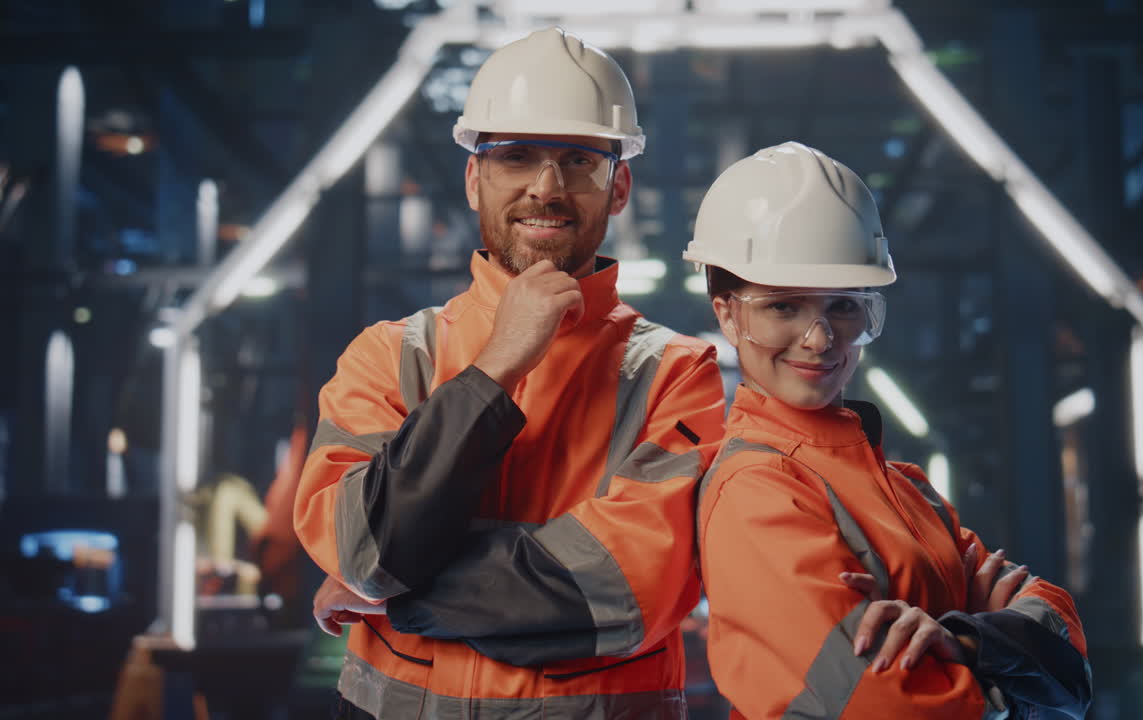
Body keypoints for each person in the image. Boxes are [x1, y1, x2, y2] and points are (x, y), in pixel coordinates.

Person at [294, 27, 726, 719]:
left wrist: (393, 595)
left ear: (618, 188)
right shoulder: (391, 355)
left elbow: (625, 593)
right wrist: (497, 365)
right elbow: (365, 550)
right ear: (475, 181)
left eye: (579, 161)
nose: (546, 188)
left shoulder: (676, 374)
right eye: (516, 156)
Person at [686, 142, 1092, 719]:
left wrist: (964, 642)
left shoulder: (909, 489)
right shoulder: (757, 491)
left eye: (843, 306)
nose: (820, 339)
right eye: (783, 307)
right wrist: (1010, 676)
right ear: (727, 313)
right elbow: (881, 705)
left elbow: (1067, 645)